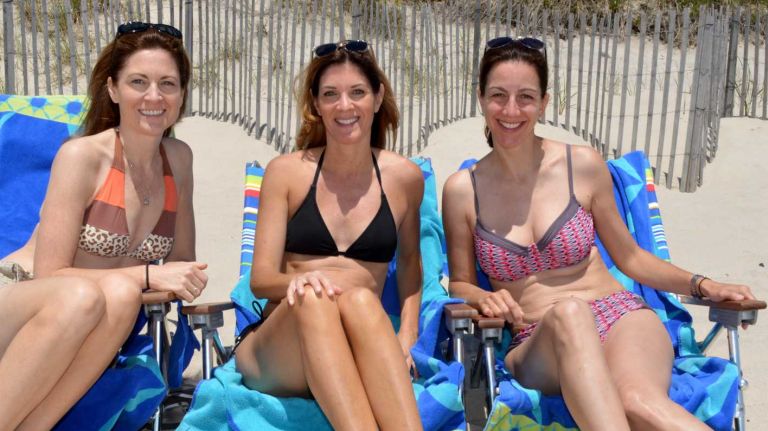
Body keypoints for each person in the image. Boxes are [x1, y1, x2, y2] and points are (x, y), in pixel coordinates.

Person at [441, 36, 758, 430]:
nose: (510, 110)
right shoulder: (462, 190)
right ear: (480, 98)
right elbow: (459, 282)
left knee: (636, 400)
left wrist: (703, 285)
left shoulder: (584, 165)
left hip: (620, 316)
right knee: (570, 313)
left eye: (525, 97)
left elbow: (631, 258)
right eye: (498, 95)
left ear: (544, 102)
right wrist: (486, 297)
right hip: (539, 339)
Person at [0, 22, 208, 430]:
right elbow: (50, 275)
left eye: (168, 83)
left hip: (95, 319)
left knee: (116, 292)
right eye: (138, 82)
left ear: (181, 95)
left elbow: (183, 265)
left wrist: (146, 282)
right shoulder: (82, 156)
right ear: (113, 90)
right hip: (20, 302)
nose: (154, 96)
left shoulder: (178, 159)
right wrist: (148, 274)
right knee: (85, 295)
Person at [234, 40, 425, 431]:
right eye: (330, 95)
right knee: (314, 295)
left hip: (356, 336)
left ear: (377, 97)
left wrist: (406, 336)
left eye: (357, 92)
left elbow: (409, 265)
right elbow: (261, 280)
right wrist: (304, 280)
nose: (345, 106)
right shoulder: (286, 172)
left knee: (359, 300)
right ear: (316, 105)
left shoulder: (404, 178)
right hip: (280, 347)